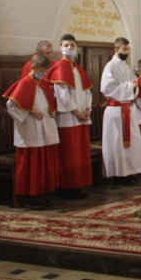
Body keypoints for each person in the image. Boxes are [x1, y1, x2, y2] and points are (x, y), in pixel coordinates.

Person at [3, 53, 60, 209]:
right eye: (42, 70)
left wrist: (50, 110)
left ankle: (41, 193)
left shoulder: (43, 85)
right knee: (31, 164)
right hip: (29, 129)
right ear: (33, 67)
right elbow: (12, 105)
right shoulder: (24, 84)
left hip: (44, 128)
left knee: (43, 163)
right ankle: (28, 196)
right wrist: (31, 111)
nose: (44, 73)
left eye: (46, 70)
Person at [45, 34, 93, 199]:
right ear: (61, 48)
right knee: (69, 153)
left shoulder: (78, 69)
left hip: (81, 117)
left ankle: (78, 185)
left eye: (72, 45)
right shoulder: (59, 68)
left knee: (80, 152)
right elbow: (62, 95)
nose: (70, 48)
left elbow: (87, 91)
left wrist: (87, 109)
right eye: (66, 45)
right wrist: (77, 112)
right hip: (68, 118)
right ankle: (67, 188)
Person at [100, 37, 141, 184]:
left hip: (127, 108)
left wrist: (134, 85)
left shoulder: (125, 67)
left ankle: (130, 172)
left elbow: (135, 84)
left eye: (128, 49)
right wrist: (129, 86)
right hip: (115, 110)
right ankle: (119, 174)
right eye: (124, 49)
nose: (126, 52)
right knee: (117, 143)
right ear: (116, 50)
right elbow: (106, 88)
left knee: (132, 143)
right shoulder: (110, 66)